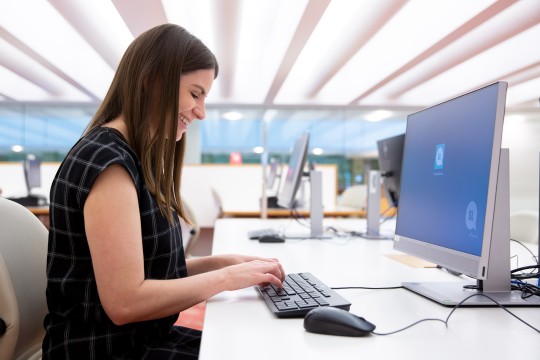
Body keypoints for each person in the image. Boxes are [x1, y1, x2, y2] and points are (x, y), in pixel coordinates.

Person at [42, 24, 285, 359]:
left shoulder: (130, 157)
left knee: (253, 345)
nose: (201, 112)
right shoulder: (107, 164)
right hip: (104, 351)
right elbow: (126, 301)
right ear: (152, 80)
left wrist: (223, 263)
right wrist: (228, 277)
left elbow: (151, 269)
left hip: (140, 342)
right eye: (195, 94)